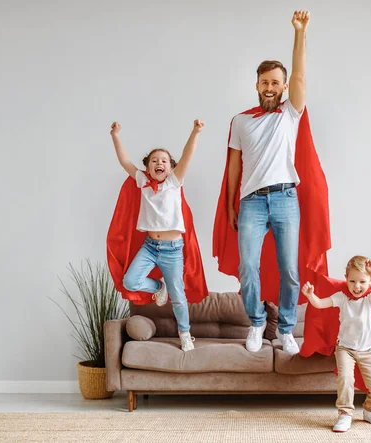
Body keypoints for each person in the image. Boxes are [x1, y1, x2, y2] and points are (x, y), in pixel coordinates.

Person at [224, 10, 310, 355]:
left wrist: (299, 33)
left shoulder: (290, 114)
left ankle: (286, 328)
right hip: (252, 202)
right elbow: (233, 167)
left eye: (276, 82)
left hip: (286, 197)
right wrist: (232, 203)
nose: (270, 88)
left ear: (284, 87)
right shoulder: (241, 122)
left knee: (290, 268)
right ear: (257, 85)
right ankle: (257, 322)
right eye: (265, 82)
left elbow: (301, 76)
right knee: (249, 266)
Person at [110, 119, 204, 352]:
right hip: (150, 247)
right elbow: (125, 162)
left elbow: (187, 155)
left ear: (171, 168)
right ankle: (158, 286)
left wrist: (195, 132)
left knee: (178, 296)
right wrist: (115, 136)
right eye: (154, 161)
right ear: (148, 167)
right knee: (131, 281)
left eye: (163, 161)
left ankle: (185, 333)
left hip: (173, 249)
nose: (158, 163)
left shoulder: (174, 182)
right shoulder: (142, 182)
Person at [301, 256, 371, 432]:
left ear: (369, 281)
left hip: (368, 350)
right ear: (346, 279)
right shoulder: (341, 297)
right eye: (352, 281)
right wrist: (311, 295)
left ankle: (370, 410)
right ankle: (345, 414)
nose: (357, 286)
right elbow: (320, 304)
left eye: (362, 281)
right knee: (346, 379)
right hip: (345, 348)